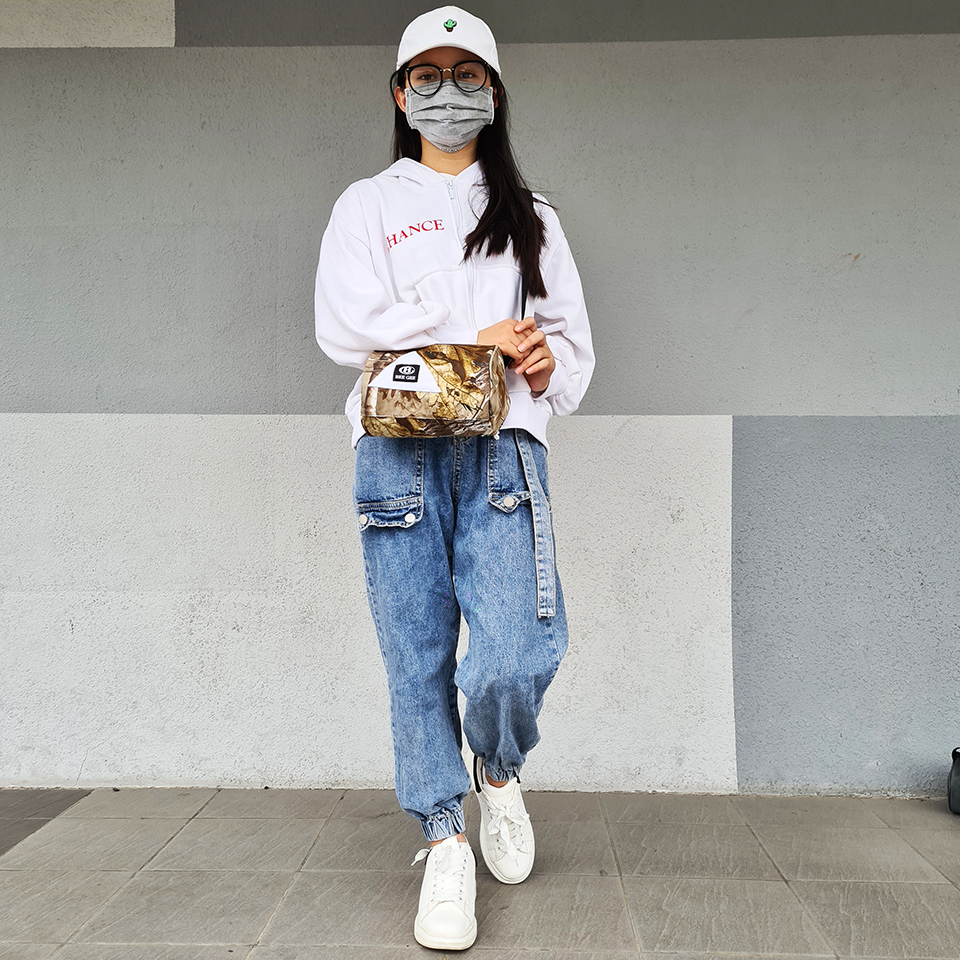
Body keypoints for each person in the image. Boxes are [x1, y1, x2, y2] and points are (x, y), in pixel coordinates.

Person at [314, 5, 595, 950]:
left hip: (503, 445)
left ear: (494, 93)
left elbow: (571, 353)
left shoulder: (532, 216)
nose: (446, 94)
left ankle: (497, 770)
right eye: (426, 77)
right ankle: (443, 841)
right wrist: (467, 339)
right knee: (416, 656)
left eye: (466, 75)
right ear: (400, 96)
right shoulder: (366, 205)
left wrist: (544, 366)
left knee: (516, 651)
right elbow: (342, 326)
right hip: (397, 447)